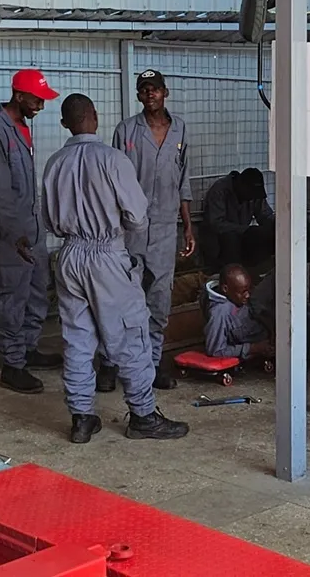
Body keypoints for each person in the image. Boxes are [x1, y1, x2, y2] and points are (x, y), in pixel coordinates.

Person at [41, 93, 189, 444]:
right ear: (95, 115)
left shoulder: (54, 163)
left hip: (70, 255)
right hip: (106, 254)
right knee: (131, 333)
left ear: (65, 124)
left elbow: (48, 219)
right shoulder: (113, 159)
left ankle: (81, 418)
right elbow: (138, 216)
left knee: (77, 339)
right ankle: (143, 415)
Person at [103, 68, 195, 393]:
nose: (149, 95)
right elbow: (113, 183)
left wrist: (188, 226)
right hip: (130, 230)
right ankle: (110, 364)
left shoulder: (180, 130)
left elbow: (184, 181)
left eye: (155, 89)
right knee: (122, 298)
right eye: (144, 90)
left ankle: (151, 365)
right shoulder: (126, 130)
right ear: (139, 95)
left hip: (166, 229)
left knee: (158, 300)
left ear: (165, 92)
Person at [0, 68, 63, 394]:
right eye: (36, 100)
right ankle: (12, 365)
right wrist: (16, 235)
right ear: (19, 95)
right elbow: (0, 191)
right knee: (11, 296)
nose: (40, 106)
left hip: (32, 225)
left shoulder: (22, 127)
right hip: (11, 233)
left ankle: (28, 349)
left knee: (37, 291)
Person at [199, 168, 274, 274]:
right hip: (217, 242)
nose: (251, 199)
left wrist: (277, 226)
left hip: (241, 237)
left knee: (265, 233)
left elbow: (265, 215)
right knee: (230, 238)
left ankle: (260, 273)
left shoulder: (254, 194)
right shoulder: (219, 190)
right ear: (241, 186)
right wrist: (247, 230)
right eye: (250, 196)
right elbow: (216, 224)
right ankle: (231, 275)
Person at [203, 263, 272, 361]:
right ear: (225, 289)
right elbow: (215, 351)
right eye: (243, 292)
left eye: (249, 290)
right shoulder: (219, 313)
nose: (247, 295)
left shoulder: (234, 292)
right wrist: (253, 348)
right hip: (257, 343)